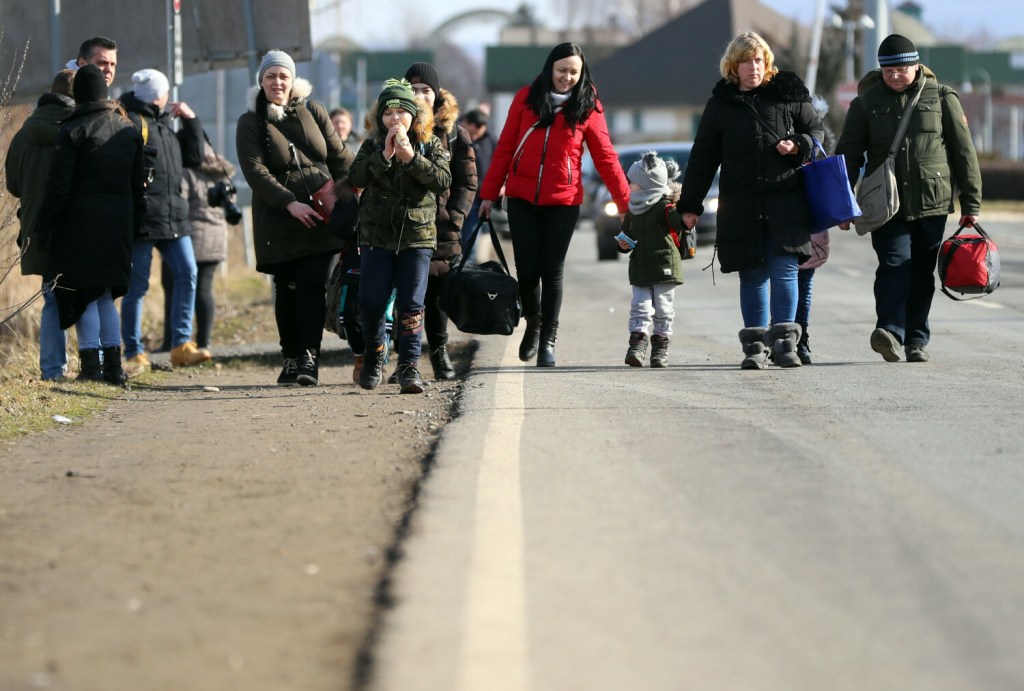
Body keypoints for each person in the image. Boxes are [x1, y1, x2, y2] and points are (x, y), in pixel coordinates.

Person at [678, 31, 824, 369]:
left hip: (786, 200)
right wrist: (690, 206)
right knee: (754, 274)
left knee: (786, 270)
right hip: (742, 204)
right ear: (734, 66)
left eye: (758, 60)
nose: (753, 67)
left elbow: (817, 134)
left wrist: (798, 144)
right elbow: (702, 160)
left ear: (766, 63)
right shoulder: (720, 106)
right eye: (746, 61)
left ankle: (786, 343)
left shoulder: (788, 95)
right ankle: (755, 346)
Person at [478, 42, 630, 367]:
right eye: (562, 71)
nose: (567, 78)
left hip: (563, 200)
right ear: (550, 69)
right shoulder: (526, 98)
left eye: (574, 72)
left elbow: (605, 157)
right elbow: (505, 147)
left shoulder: (589, 105)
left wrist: (625, 203)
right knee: (528, 270)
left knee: (552, 270)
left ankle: (548, 338)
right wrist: (489, 194)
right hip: (521, 198)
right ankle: (532, 324)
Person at [836, 34, 982, 363]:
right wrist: (842, 205)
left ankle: (917, 338)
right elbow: (848, 157)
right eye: (888, 71)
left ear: (916, 66)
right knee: (892, 265)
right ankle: (889, 330)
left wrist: (971, 205)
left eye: (901, 69)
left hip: (932, 201)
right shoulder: (865, 103)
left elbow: (963, 153)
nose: (895, 76)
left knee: (919, 271)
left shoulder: (942, 97)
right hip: (885, 204)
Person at [236, 49, 355, 386]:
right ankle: (289, 356)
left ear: (292, 80)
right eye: (271, 75)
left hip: (320, 214)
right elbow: (255, 171)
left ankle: (309, 357)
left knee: (313, 284)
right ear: (261, 80)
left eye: (283, 76)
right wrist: (289, 203)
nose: (277, 82)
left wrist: (361, 186)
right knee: (286, 288)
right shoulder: (249, 121)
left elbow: (339, 156)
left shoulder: (313, 110)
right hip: (279, 218)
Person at [35, 64, 146, 386]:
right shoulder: (128, 129)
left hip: (80, 224)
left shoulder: (72, 130)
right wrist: (134, 226)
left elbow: (59, 187)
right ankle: (114, 367)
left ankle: (91, 366)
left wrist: (45, 227)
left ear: (78, 95)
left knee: (84, 293)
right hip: (119, 222)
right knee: (106, 294)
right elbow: (138, 188)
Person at [350, 78, 451, 394]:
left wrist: (411, 158)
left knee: (411, 303)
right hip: (375, 236)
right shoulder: (372, 144)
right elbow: (355, 176)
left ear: (414, 114)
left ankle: (409, 366)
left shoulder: (430, 143)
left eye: (401, 112)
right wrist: (384, 157)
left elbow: (443, 180)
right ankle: (375, 354)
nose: (395, 119)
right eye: (388, 113)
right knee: (370, 302)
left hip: (417, 237)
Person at [119, 68, 208, 374]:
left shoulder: (165, 125)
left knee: (188, 272)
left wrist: (191, 120)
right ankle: (133, 351)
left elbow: (194, 158)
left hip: (174, 218)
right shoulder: (132, 122)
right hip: (145, 221)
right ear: (159, 95)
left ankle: (181, 345)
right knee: (137, 287)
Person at [404, 61, 477, 381]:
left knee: (436, 297)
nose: (420, 96)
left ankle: (439, 353)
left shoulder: (454, 133)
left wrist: (456, 218)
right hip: (402, 227)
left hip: (441, 228)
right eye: (414, 90)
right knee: (405, 295)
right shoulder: (393, 124)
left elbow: (468, 182)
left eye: (426, 91)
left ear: (436, 95)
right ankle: (405, 362)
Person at [5, 70, 78, 381]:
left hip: (38, 227)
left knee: (52, 297)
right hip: (79, 224)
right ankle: (95, 362)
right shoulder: (80, 128)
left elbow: (14, 185)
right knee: (92, 295)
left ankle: (52, 369)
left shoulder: (25, 134)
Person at [617, 151, 686, 368]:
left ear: (647, 184)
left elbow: (678, 223)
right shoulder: (633, 208)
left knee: (664, 309)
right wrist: (623, 244)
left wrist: (687, 218)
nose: (630, 186)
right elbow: (627, 233)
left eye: (634, 183)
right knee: (640, 306)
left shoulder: (665, 206)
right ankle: (636, 347)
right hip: (640, 265)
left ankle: (660, 350)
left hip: (665, 266)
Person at [175, 139, 236, 355]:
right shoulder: (223, 172)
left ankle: (182, 340)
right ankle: (204, 340)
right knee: (205, 288)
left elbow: (179, 203)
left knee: (188, 288)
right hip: (218, 237)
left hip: (193, 236)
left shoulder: (188, 173)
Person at [460, 107, 495, 260]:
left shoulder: (491, 140)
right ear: (465, 122)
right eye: (471, 134)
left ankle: (466, 273)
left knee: (471, 241)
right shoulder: (453, 135)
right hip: (458, 196)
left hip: (478, 199)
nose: (473, 138)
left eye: (476, 135)